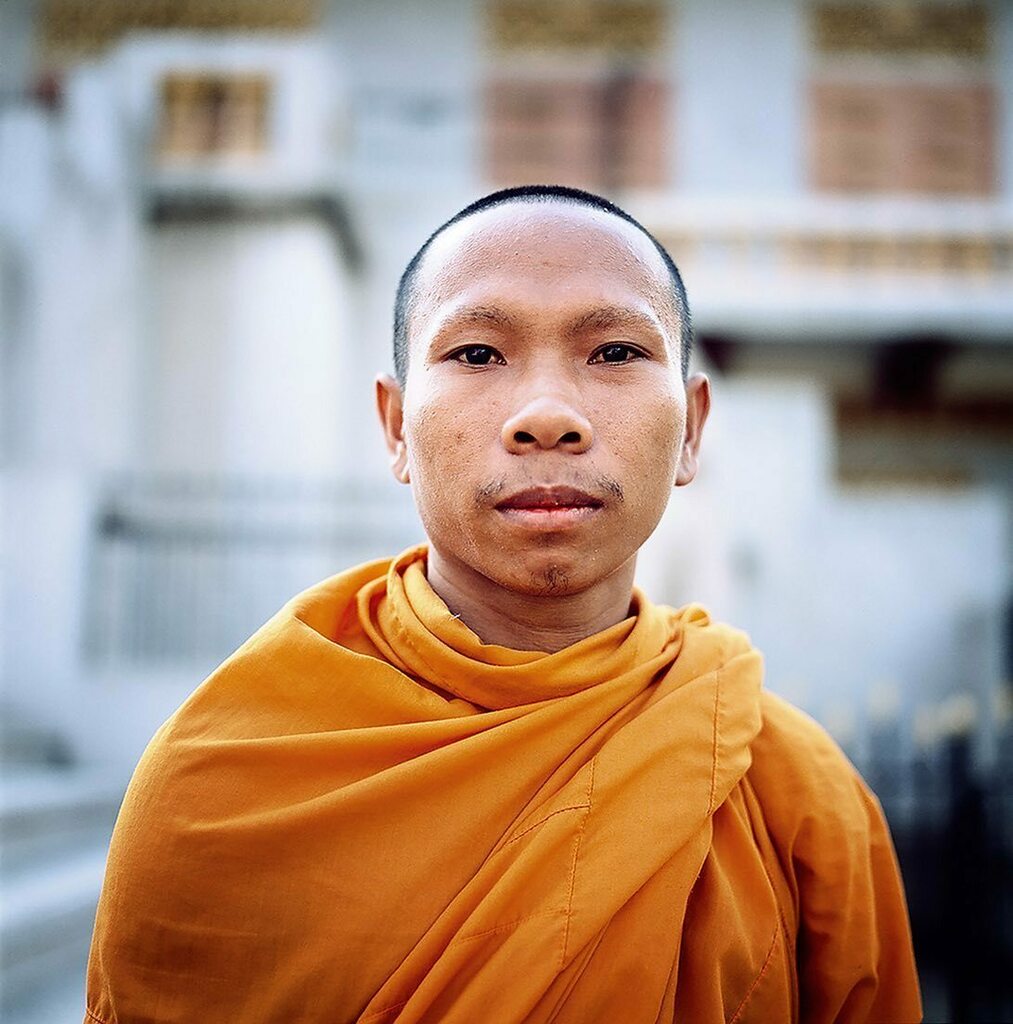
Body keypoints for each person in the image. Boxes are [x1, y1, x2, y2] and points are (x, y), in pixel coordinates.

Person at [84, 185, 922, 1023]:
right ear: (395, 428)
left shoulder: (797, 796)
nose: (547, 416)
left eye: (616, 352)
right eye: (479, 354)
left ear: (692, 432)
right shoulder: (227, 786)